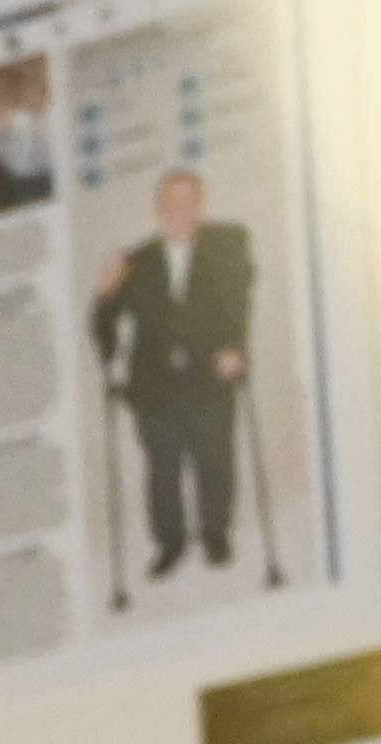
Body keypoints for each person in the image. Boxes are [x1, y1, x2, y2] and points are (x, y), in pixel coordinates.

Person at [95, 168, 259, 579]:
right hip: (155, 387)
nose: (179, 212)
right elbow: (103, 327)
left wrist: (236, 350)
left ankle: (215, 535)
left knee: (215, 461)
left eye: (188, 203)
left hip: (209, 378)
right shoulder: (136, 261)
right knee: (163, 470)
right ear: (158, 210)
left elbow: (240, 303)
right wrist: (106, 293)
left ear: (200, 207)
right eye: (170, 205)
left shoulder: (227, 247)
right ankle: (170, 544)